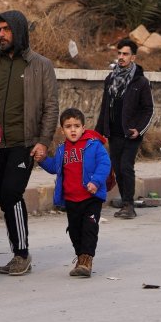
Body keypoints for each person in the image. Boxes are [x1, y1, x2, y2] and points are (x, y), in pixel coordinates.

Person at [0, 11, 58, 275]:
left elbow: (50, 106)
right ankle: (16, 252)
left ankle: (22, 253)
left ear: (19, 31)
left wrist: (43, 141)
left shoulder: (40, 65)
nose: (1, 34)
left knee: (11, 192)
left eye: (7, 29)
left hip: (25, 143)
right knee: (3, 196)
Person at [37, 108, 111, 278]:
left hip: (91, 197)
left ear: (83, 128)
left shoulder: (93, 145)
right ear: (62, 130)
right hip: (71, 199)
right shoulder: (62, 149)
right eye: (68, 126)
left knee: (89, 229)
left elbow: (104, 164)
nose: (72, 130)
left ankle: (86, 260)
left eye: (76, 126)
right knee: (74, 231)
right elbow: (54, 167)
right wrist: (42, 160)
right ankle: (80, 258)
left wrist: (96, 181)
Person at [97, 38, 152, 219]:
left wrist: (139, 129)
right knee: (117, 167)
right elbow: (105, 107)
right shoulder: (110, 79)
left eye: (125, 54)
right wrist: (98, 132)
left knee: (126, 166)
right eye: (119, 53)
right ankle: (125, 201)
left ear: (133, 57)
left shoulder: (141, 82)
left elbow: (148, 110)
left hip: (131, 133)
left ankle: (129, 205)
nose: (121, 57)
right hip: (114, 132)